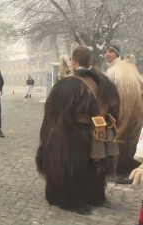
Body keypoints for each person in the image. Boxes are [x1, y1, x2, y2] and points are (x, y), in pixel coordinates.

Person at [36, 46, 121, 214]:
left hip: (75, 133)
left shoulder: (67, 84)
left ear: (74, 62)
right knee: (95, 163)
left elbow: (53, 114)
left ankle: (72, 200)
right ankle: (95, 196)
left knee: (74, 165)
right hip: (99, 131)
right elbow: (114, 107)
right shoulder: (103, 81)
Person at [105, 44, 143, 184]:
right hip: (134, 116)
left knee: (116, 136)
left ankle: (116, 168)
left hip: (118, 113)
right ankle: (128, 168)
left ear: (117, 54)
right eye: (106, 52)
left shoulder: (114, 71)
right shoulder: (131, 70)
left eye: (110, 52)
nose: (107, 54)